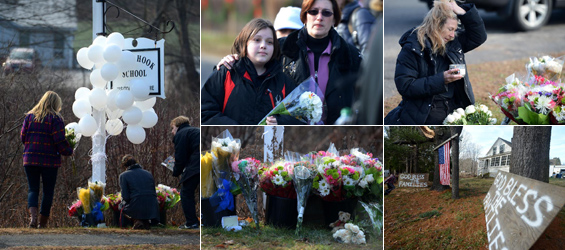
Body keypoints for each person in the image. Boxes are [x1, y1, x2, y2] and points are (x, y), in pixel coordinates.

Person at [217, 0, 362, 125]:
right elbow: (249, 71)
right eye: (313, 11)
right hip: (287, 132)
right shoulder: (279, 48)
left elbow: (366, 101)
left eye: (326, 13)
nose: (319, 17)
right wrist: (230, 64)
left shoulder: (351, 55)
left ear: (334, 18)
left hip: (336, 133)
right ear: (304, 15)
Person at [384, 0, 487, 125]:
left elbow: (479, 36)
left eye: (455, 30)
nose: (453, 35)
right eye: (450, 29)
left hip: (455, 109)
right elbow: (405, 86)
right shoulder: (412, 48)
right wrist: (441, 79)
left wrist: (462, 10)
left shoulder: (453, 43)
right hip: (425, 112)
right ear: (437, 25)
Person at [201, 18, 304, 125]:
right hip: (230, 140)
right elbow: (205, 112)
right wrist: (236, 129)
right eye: (257, 40)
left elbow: (300, 117)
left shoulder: (283, 81)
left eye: (269, 42)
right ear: (245, 43)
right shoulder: (226, 73)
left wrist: (280, 122)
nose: (263, 45)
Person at [21, 91, 73, 228]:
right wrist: (69, 151)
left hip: (30, 158)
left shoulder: (29, 117)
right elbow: (59, 140)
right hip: (49, 161)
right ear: (56, 104)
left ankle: (32, 219)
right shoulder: (56, 119)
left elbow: (23, 137)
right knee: (48, 191)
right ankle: (42, 223)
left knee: (33, 189)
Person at [170, 116, 200, 229]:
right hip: (206, 162)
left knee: (186, 193)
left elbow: (181, 157)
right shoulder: (195, 131)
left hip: (196, 165)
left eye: (172, 128)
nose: (172, 132)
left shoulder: (181, 134)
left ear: (177, 126)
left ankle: (191, 222)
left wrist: (175, 171)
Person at [119, 155, 159, 230]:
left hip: (136, 204)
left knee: (121, 207)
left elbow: (126, 197)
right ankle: (145, 222)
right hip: (153, 205)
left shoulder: (123, 176)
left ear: (125, 166)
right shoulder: (148, 173)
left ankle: (137, 220)